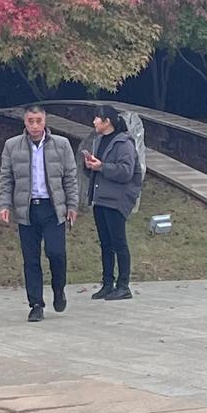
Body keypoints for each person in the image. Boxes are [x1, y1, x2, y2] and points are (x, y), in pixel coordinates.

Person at [0, 104, 79, 322]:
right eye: (30, 121)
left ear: (45, 122)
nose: (34, 125)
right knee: (31, 259)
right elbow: (6, 178)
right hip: (27, 208)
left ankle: (58, 288)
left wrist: (72, 206)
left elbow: (70, 177)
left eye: (38, 121)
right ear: (24, 122)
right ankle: (35, 303)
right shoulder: (12, 146)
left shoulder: (61, 145)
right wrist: (4, 205)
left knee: (56, 253)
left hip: (53, 208)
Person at [80, 104, 142, 300]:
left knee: (119, 242)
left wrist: (102, 167)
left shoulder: (124, 143)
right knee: (105, 243)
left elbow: (125, 171)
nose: (94, 122)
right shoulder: (99, 141)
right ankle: (107, 283)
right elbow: (96, 171)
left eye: (97, 118)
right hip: (100, 198)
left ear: (107, 122)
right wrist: (89, 165)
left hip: (116, 200)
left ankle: (123, 285)